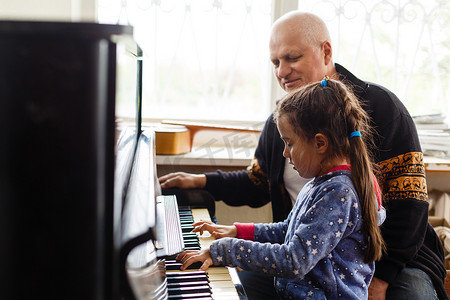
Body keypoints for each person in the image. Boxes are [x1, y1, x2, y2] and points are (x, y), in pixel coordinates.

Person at [159, 11, 447, 299]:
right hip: (309, 258)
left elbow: (411, 208)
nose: (282, 71)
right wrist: (199, 182)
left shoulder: (381, 108)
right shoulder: (284, 119)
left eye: (292, 58)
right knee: (227, 286)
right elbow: (257, 183)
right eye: (275, 62)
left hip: (395, 259)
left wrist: (379, 281)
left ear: (326, 52)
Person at [176, 78, 386, 299]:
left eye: (290, 143)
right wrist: (239, 231)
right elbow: (290, 231)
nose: (285, 153)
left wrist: (227, 250)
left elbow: (294, 260)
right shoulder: (322, 182)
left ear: (320, 143)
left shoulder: (338, 193)